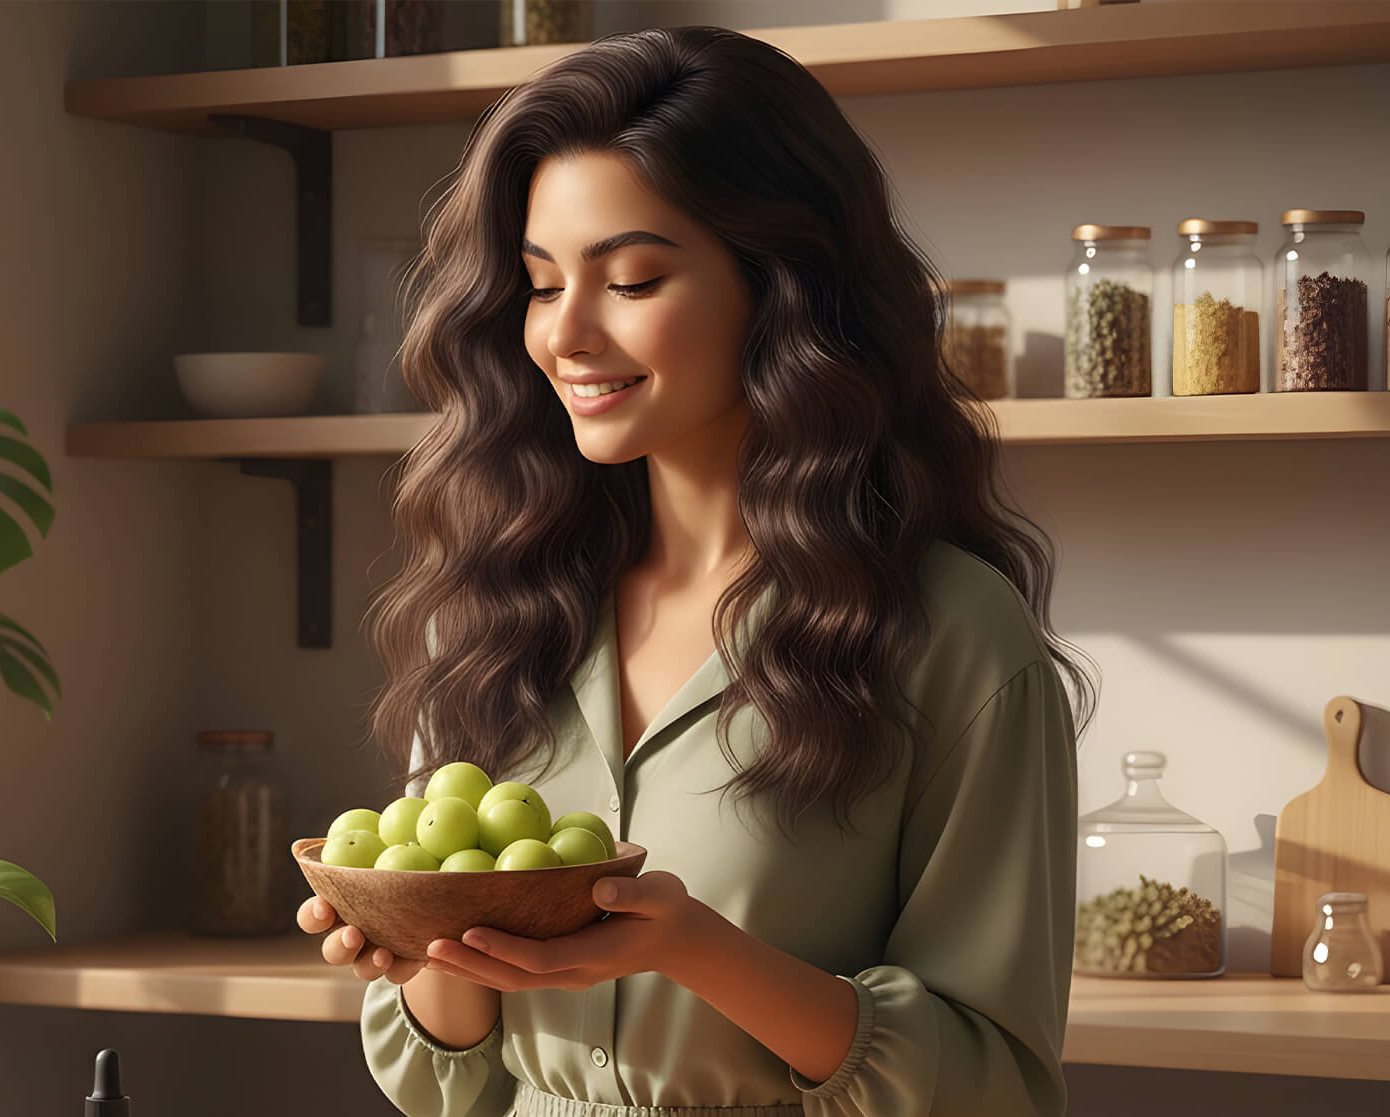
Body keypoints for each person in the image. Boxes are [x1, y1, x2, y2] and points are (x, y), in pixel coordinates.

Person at [296, 25, 1098, 1117]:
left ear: (782, 287)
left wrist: (695, 950)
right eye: (537, 285)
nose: (565, 334)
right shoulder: (497, 612)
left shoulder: (952, 634)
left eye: (629, 278)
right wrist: (423, 936)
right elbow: (451, 1086)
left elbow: (993, 1083)